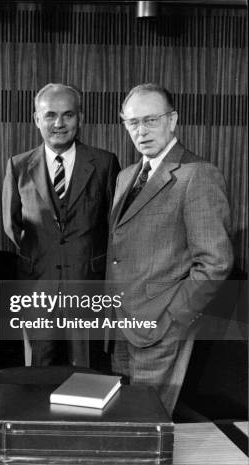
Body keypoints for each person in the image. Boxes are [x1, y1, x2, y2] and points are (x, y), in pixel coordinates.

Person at [107, 83, 233, 414]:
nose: (141, 131)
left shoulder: (197, 175)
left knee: (149, 425)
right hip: (120, 327)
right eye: (133, 122)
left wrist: (172, 319)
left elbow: (215, 263)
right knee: (124, 426)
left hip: (161, 328)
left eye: (151, 120)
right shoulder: (126, 177)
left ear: (173, 120)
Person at [2, 83, 120, 367]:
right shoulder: (18, 166)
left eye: (68, 115)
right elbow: (12, 225)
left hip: (87, 287)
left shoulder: (105, 163)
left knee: (88, 373)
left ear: (80, 118)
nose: (59, 123)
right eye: (50, 115)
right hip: (37, 288)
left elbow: (114, 226)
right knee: (38, 372)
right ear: (36, 119)